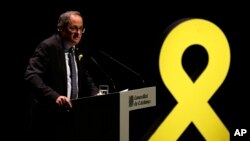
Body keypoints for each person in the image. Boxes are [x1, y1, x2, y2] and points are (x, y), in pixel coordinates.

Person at [24, 10, 100, 141]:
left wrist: (96, 93)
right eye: (73, 28)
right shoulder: (48, 46)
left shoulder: (75, 49)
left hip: (71, 116)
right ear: (61, 28)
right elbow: (31, 75)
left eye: (81, 29)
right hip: (49, 118)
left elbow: (84, 76)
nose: (78, 33)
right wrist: (55, 96)